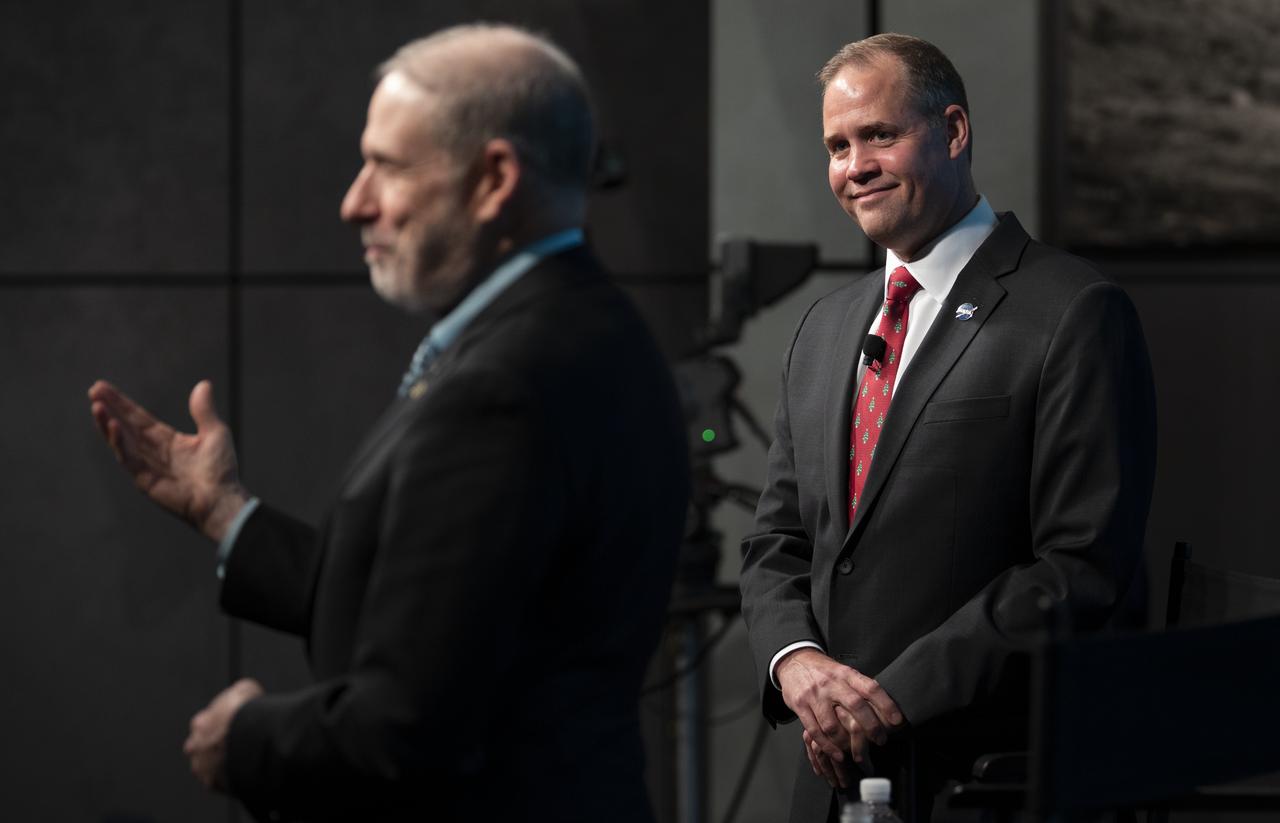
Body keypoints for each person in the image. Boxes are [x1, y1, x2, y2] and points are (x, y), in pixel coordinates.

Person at [88, 24, 689, 823]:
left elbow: (409, 726)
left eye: (388, 167)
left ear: (494, 178)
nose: (354, 201)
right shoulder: (582, 331)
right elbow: (443, 616)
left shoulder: (507, 385)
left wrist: (246, 737)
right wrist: (226, 514)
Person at [738, 33, 1156, 822]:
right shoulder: (823, 329)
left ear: (954, 131)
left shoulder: (1073, 312)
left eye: (879, 136)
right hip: (830, 779)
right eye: (836, 145)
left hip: (982, 779)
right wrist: (798, 666)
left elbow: (1081, 565)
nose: (853, 165)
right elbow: (775, 544)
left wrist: (892, 697)